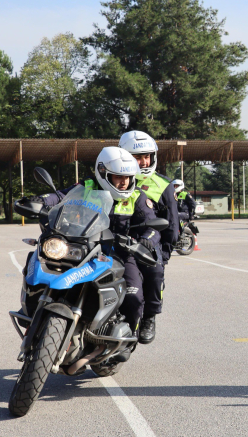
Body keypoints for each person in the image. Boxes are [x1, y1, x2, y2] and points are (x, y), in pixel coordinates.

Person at [29, 147, 159, 362]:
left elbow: (153, 225)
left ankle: (128, 339)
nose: (124, 182)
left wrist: (146, 239)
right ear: (103, 173)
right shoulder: (87, 187)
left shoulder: (137, 195)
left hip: (120, 253)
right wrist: (42, 200)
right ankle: (34, 310)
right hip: (84, 245)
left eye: (128, 177)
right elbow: (59, 196)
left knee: (134, 295)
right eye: (118, 177)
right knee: (43, 262)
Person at [119, 130, 179, 345]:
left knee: (155, 273)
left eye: (147, 156)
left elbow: (172, 225)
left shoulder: (163, 184)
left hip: (148, 241)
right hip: (113, 237)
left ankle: (149, 317)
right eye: (138, 157)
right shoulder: (114, 177)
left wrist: (163, 255)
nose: (144, 162)